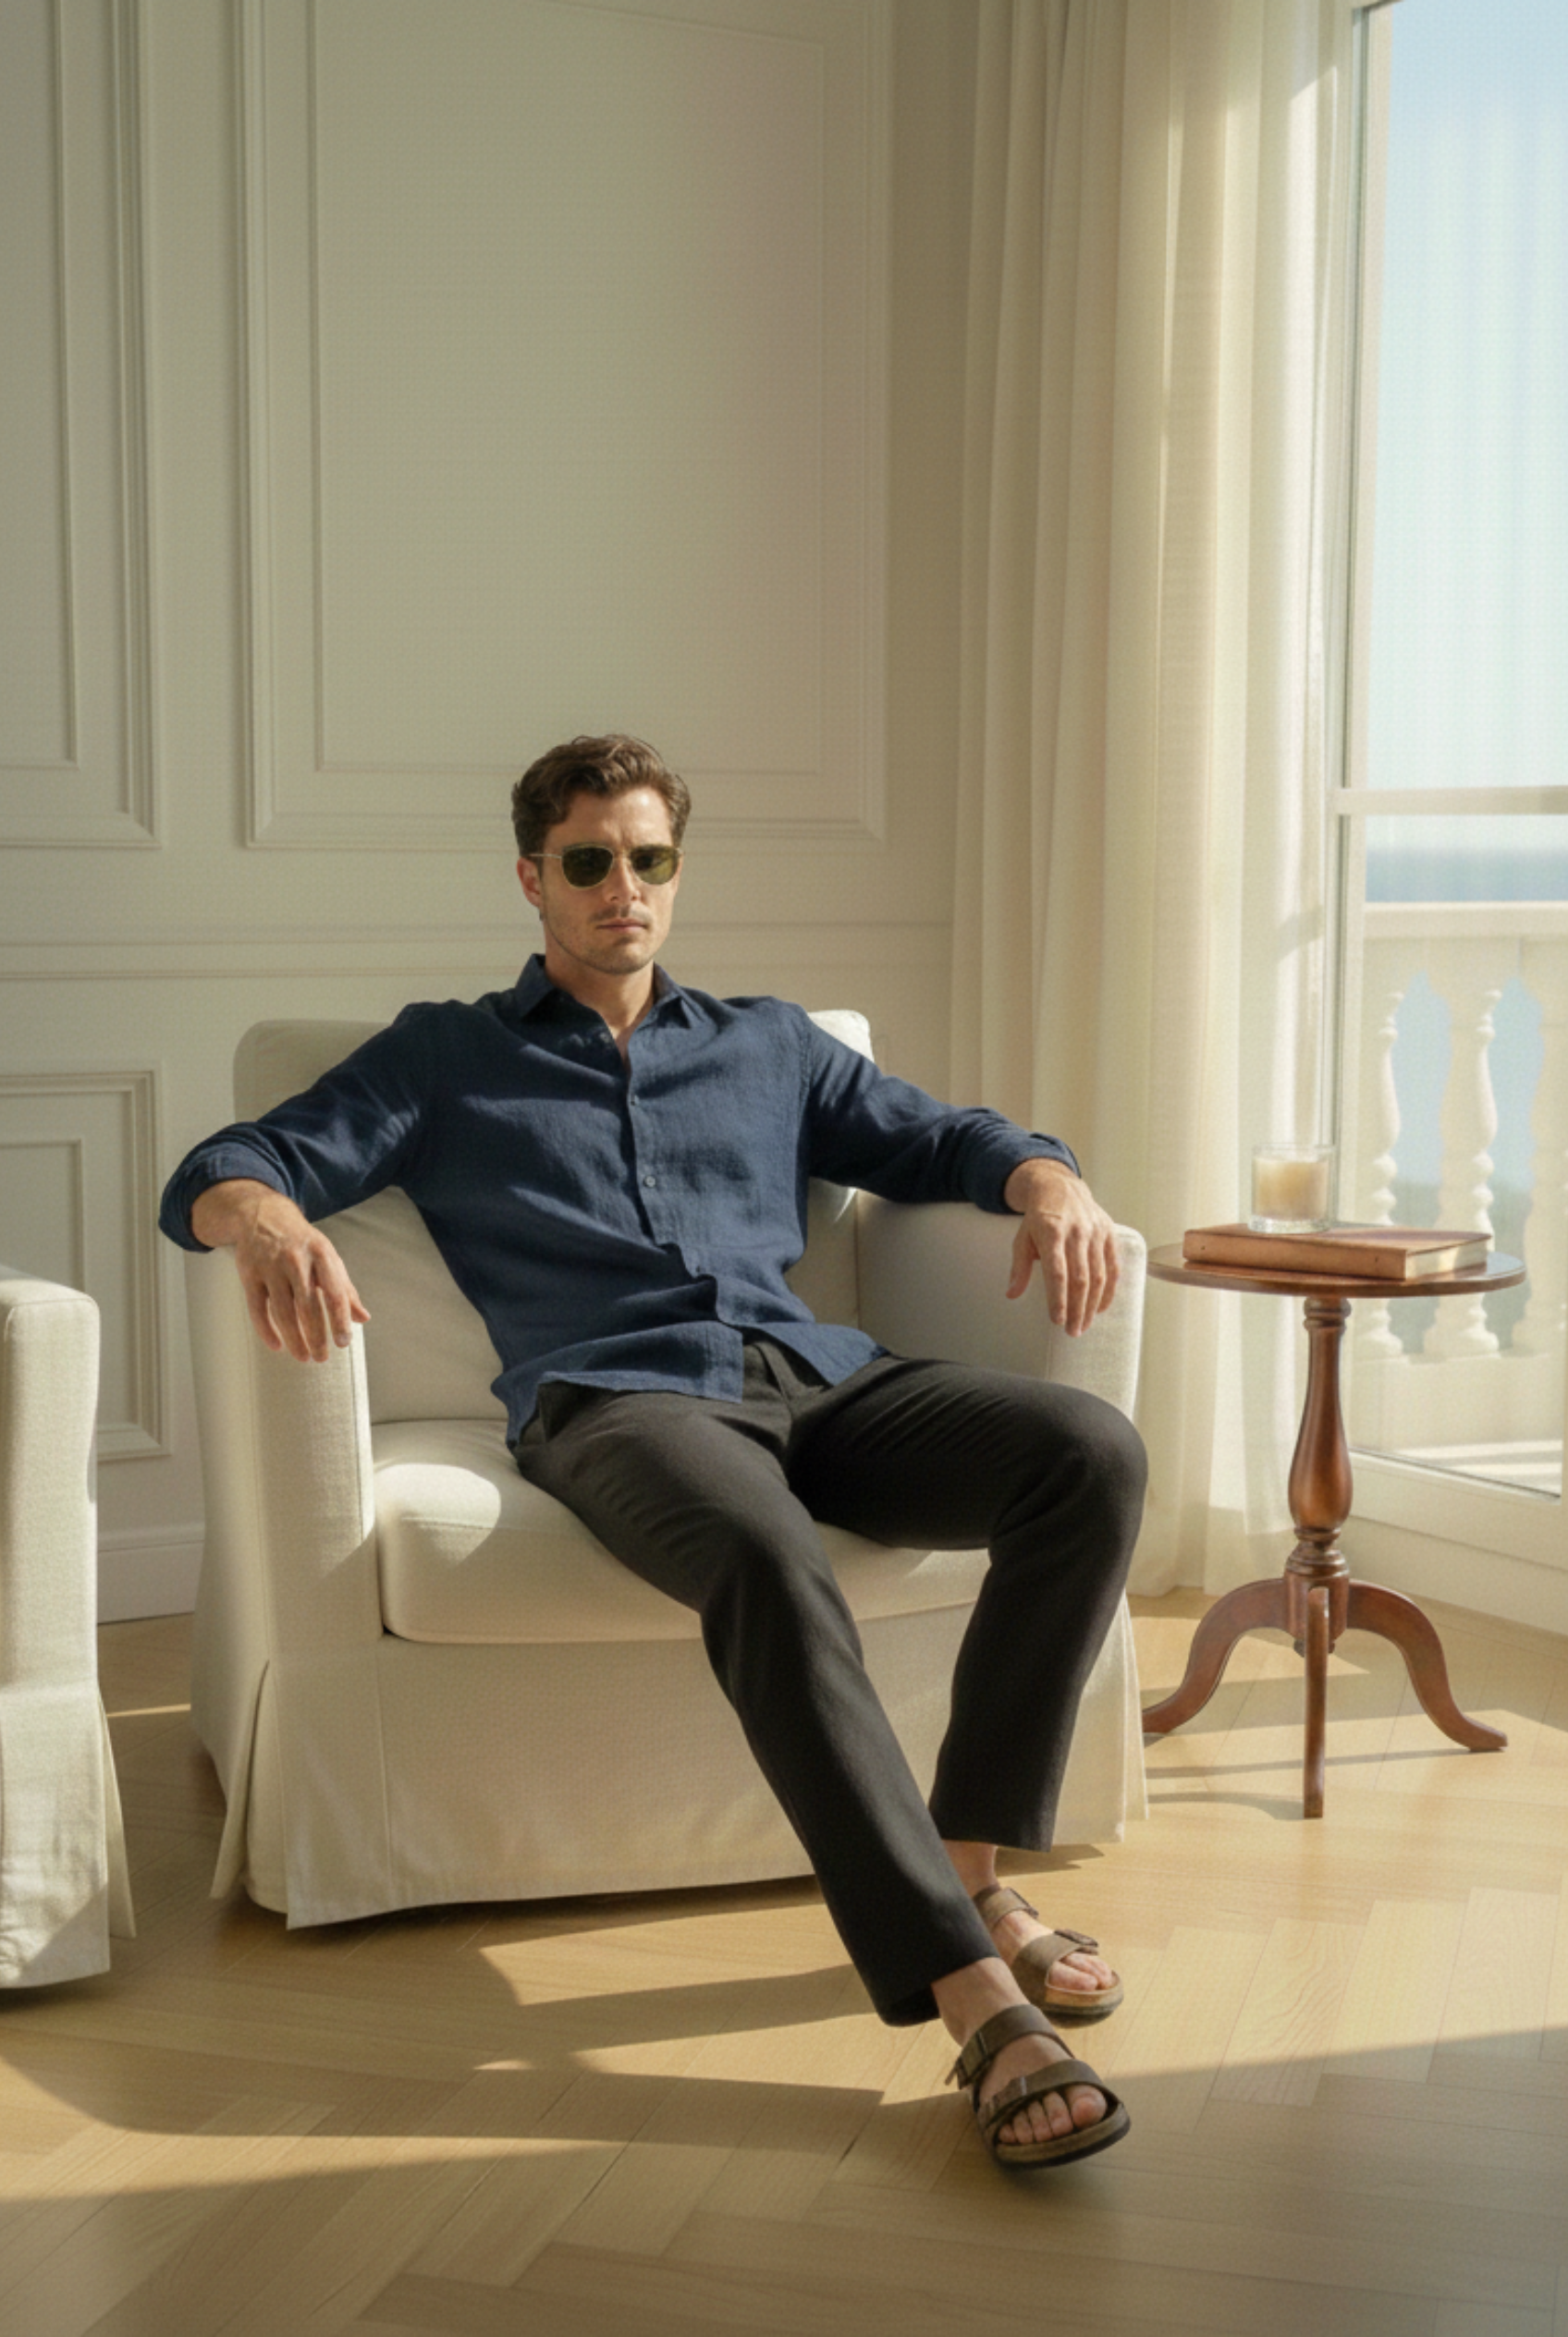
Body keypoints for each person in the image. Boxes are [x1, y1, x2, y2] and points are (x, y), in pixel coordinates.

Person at [159, 733, 1146, 2170]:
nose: (623, 886)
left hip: (817, 1381)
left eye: (650, 858)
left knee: (1088, 1454)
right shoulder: (446, 1056)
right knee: (765, 1555)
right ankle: (971, 1992)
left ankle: (972, 1871)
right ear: (532, 878)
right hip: (618, 1404)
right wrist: (262, 1216)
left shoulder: (769, 1044)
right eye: (589, 861)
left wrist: (1049, 1181)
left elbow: (947, 1142)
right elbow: (227, 1162)